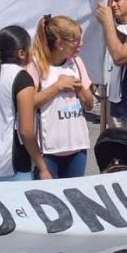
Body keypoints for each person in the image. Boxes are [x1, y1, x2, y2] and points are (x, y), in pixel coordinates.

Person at [0, 26, 50, 181]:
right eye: (30, 48)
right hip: (13, 164)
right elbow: (26, 131)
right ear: (21, 53)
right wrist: (42, 167)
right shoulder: (21, 78)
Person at [29, 15, 94, 178]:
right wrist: (57, 87)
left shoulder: (77, 63)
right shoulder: (36, 66)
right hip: (48, 150)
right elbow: (29, 103)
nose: (80, 45)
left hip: (77, 148)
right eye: (75, 41)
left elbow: (89, 104)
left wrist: (80, 89)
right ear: (59, 43)